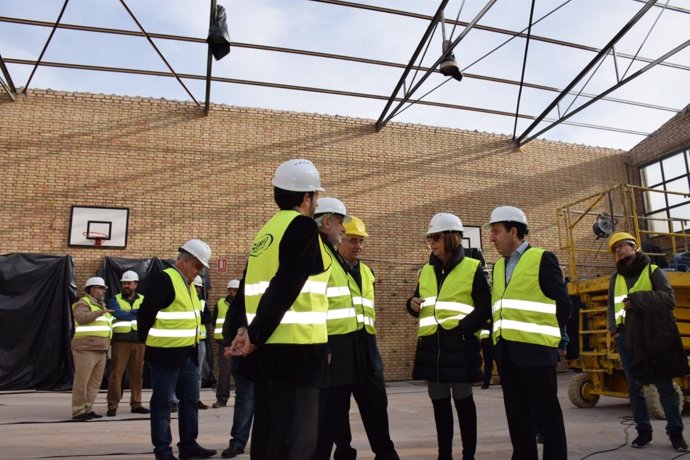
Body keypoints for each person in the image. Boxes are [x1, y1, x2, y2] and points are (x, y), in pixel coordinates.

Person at [225, 158, 331, 460]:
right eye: (315, 196)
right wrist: (253, 334)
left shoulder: (267, 232)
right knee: (296, 440)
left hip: (267, 351)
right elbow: (286, 285)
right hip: (298, 350)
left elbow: (248, 287)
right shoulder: (301, 227)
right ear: (307, 197)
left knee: (269, 436)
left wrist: (243, 330)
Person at [479, 205, 571, 460]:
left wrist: (551, 339)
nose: (491, 238)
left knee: (547, 416)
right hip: (507, 354)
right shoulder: (498, 267)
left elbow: (563, 304)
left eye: (496, 231)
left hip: (537, 352)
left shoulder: (542, 258)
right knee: (517, 416)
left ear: (514, 231)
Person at [406, 213, 491, 460]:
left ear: (452, 238)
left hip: (461, 348)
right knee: (439, 406)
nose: (432, 243)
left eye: (436, 238)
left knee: (464, 405)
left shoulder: (472, 267)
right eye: (430, 239)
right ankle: (444, 456)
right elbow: (416, 302)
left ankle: (468, 456)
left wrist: (462, 330)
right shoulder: (426, 270)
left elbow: (485, 307)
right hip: (433, 350)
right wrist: (411, 305)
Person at [314, 210, 399, 460]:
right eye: (353, 240)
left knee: (376, 405)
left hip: (366, 347)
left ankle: (385, 453)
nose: (358, 246)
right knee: (334, 411)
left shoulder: (367, 273)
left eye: (361, 241)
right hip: (337, 348)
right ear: (341, 239)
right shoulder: (326, 269)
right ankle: (343, 451)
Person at [606, 232, 688, 451]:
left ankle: (676, 435)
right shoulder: (616, 278)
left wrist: (638, 299)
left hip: (652, 336)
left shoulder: (654, 271)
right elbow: (612, 308)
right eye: (615, 249)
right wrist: (615, 332)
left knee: (664, 386)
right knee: (635, 388)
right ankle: (644, 433)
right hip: (627, 339)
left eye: (622, 246)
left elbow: (669, 299)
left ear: (634, 247)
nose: (618, 251)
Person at [138, 239, 217, 460]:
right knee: (163, 405)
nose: (199, 272)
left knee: (190, 401)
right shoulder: (165, 280)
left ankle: (188, 445)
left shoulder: (190, 286)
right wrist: (149, 343)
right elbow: (145, 315)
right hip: (165, 356)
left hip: (187, 355)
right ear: (185, 261)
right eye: (198, 266)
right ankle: (163, 452)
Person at [106, 270, 150, 417]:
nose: (125, 285)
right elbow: (117, 313)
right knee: (116, 374)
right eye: (124, 283)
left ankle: (136, 404)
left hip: (139, 341)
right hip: (120, 342)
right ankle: (112, 405)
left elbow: (146, 313)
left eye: (129, 283)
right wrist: (135, 312)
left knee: (137, 374)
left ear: (135, 285)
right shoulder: (114, 299)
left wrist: (130, 313)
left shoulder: (144, 299)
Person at [219, 281, 255, 459]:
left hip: (269, 357)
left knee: (264, 402)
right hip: (245, 358)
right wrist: (231, 341)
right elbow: (231, 322)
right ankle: (238, 442)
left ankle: (260, 442)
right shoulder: (241, 299)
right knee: (245, 400)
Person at [71, 276, 113, 421]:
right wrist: (100, 312)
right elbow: (81, 318)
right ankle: (78, 411)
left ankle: (88, 408)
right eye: (101, 288)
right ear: (93, 289)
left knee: (94, 383)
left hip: (101, 348)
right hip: (86, 348)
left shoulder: (101, 305)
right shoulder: (83, 303)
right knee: (82, 381)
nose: (103, 291)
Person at [212, 279, 239, 409]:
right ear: (228, 291)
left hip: (240, 343)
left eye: (238, 290)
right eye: (234, 290)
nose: (236, 293)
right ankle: (222, 399)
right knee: (225, 372)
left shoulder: (243, 303)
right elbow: (213, 320)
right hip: (225, 342)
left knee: (240, 372)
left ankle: (242, 398)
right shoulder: (220, 304)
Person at [193, 275, 211, 410]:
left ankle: (195, 398)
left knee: (198, 373)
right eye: (195, 287)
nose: (197, 290)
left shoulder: (202, 303)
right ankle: (175, 399)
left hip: (199, 341)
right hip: (184, 341)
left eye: (198, 288)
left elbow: (207, 318)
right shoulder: (183, 300)